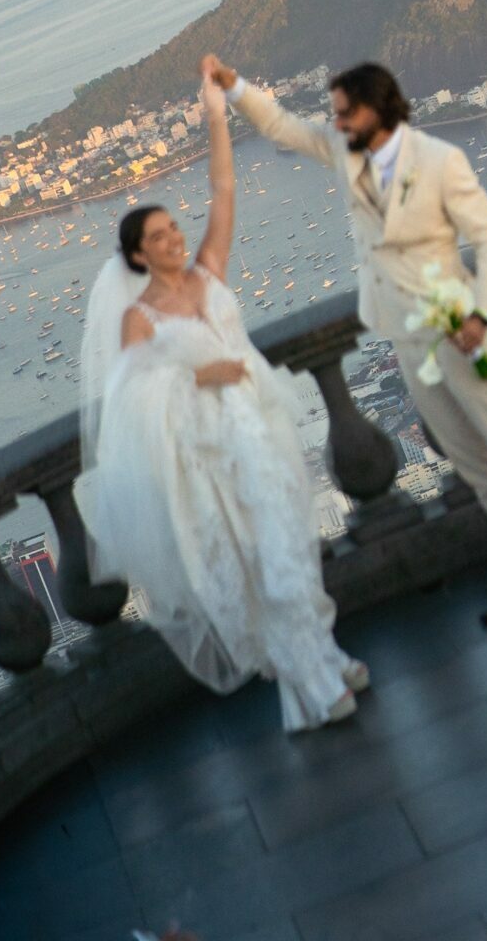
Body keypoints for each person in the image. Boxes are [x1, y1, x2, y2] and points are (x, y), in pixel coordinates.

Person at [201, 56, 487, 629]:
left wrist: (481, 315)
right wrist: (233, 86)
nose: (335, 123)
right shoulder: (345, 153)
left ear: (375, 109)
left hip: (460, 329)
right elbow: (282, 127)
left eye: (344, 113)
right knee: (472, 460)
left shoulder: (439, 161)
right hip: (406, 336)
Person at [74, 71, 369, 732]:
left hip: (260, 428)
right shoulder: (139, 320)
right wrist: (195, 379)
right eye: (158, 236)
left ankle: (324, 658)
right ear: (137, 256)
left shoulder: (208, 272)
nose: (174, 238)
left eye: (173, 227)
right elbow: (130, 409)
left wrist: (216, 111)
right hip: (211, 459)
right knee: (260, 566)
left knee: (292, 549)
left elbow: (224, 189)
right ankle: (311, 686)